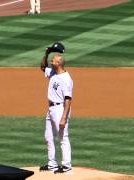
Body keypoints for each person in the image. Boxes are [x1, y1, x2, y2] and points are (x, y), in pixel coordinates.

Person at [39, 42, 73, 174]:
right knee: (48, 136)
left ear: (59, 63)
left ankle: (66, 165)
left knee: (63, 137)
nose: (51, 61)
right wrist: (47, 53)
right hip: (51, 109)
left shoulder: (66, 79)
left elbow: (68, 99)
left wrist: (64, 117)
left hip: (60, 109)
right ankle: (52, 164)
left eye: (53, 60)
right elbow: (42, 67)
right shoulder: (52, 72)